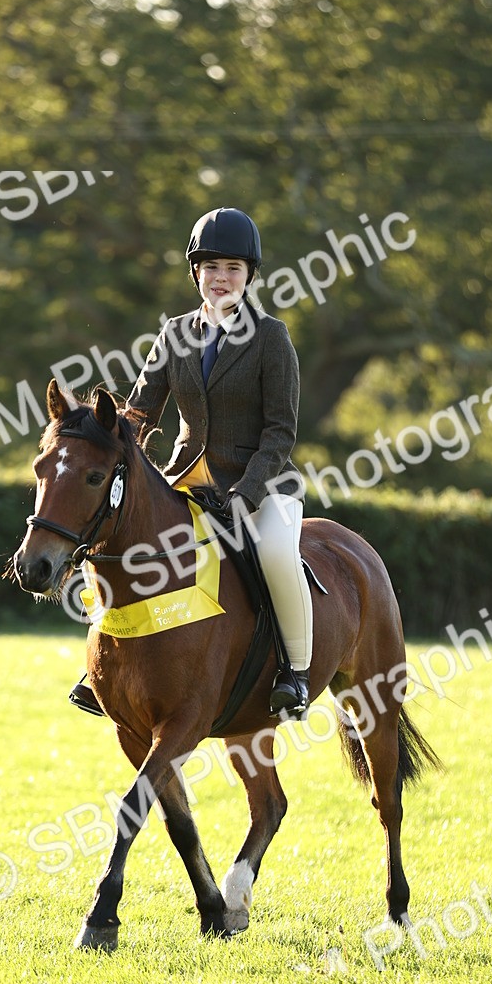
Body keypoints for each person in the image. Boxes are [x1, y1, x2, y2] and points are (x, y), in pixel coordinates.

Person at [70, 206, 313, 717]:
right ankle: (104, 667)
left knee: (275, 555)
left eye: (232, 269)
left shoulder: (272, 338)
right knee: (122, 544)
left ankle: (295, 671)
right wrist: (102, 437)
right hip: (187, 481)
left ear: (248, 276)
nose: (221, 279)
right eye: (211, 268)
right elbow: (139, 412)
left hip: (260, 486)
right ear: (196, 273)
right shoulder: (174, 333)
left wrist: (246, 495)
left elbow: (280, 432)